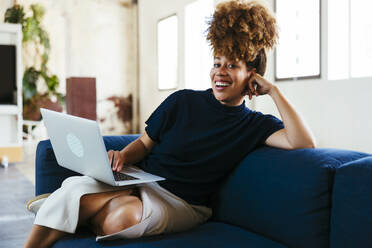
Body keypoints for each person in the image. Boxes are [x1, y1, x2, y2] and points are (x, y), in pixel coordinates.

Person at [24, 0, 316, 247]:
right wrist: (122, 157)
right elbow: (144, 143)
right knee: (87, 200)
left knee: (117, 220)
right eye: (216, 62)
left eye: (232, 65)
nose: (220, 72)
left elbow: (302, 141)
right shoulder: (183, 101)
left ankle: (65, 202)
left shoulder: (254, 125)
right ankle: (70, 202)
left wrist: (275, 91)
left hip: (184, 204)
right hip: (142, 178)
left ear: (252, 75)